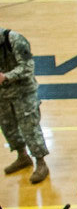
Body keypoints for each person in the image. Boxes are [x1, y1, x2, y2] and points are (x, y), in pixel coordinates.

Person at [1, 27, 51, 184]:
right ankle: (22, 156)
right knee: (8, 127)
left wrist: (6, 77)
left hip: (24, 93)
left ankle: (41, 163)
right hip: (3, 94)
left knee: (30, 128)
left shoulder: (15, 40)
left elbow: (28, 68)